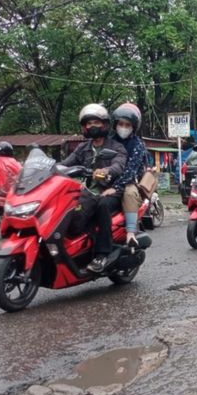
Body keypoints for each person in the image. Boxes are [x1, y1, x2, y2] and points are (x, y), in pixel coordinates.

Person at [63, 103, 127, 273]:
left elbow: (118, 165)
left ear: (104, 124)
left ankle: (102, 254)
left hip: (112, 190)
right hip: (88, 191)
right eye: (88, 123)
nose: (92, 126)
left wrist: (107, 171)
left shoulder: (115, 147)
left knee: (102, 205)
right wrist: (49, 169)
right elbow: (66, 164)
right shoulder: (82, 148)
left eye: (96, 122)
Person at [110, 103, 148, 247]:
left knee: (129, 193)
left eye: (127, 124)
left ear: (133, 127)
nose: (123, 127)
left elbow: (131, 170)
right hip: (106, 181)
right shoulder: (109, 141)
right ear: (115, 124)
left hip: (128, 183)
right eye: (121, 124)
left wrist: (116, 187)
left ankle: (131, 232)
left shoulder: (137, 144)